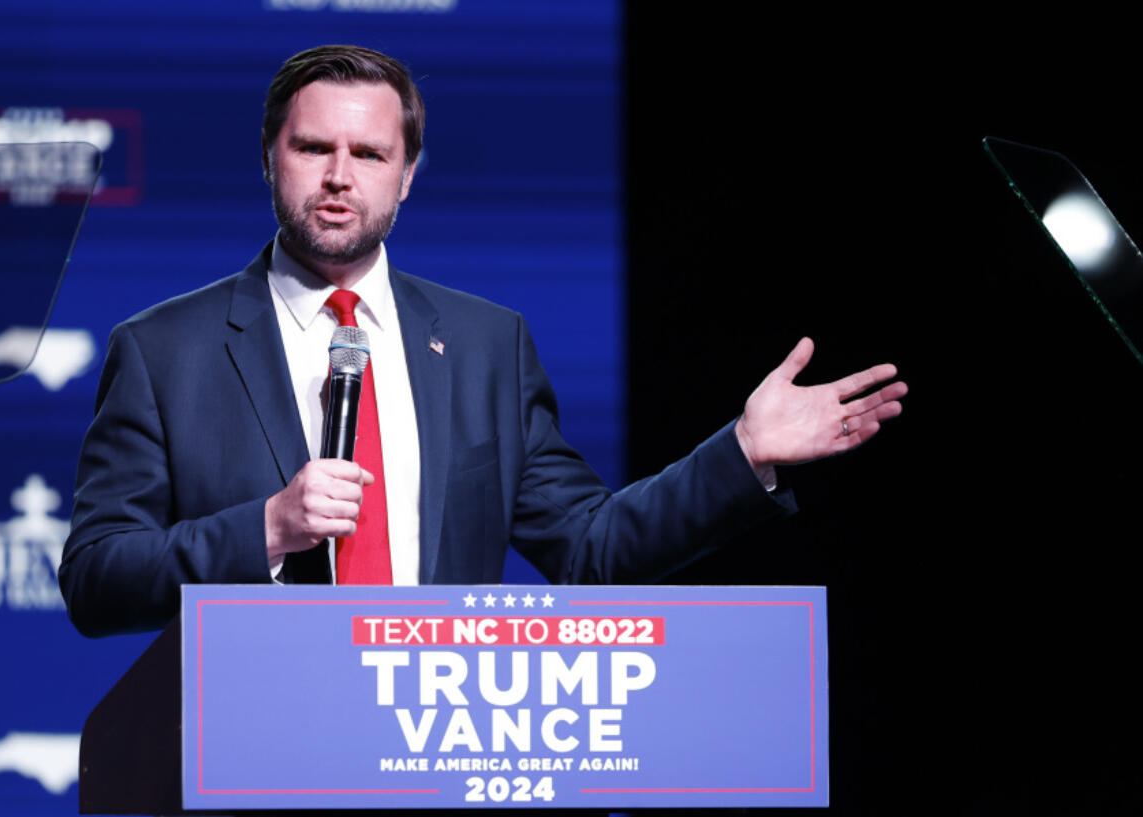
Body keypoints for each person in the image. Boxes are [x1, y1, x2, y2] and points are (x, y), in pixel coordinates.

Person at [58, 45, 906, 637]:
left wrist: (743, 452)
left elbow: (588, 548)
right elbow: (96, 582)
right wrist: (267, 527)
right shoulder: (166, 349)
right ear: (271, 158)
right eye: (312, 147)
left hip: (437, 754)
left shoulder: (485, 346)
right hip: (249, 762)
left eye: (370, 152)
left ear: (408, 173)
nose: (340, 175)